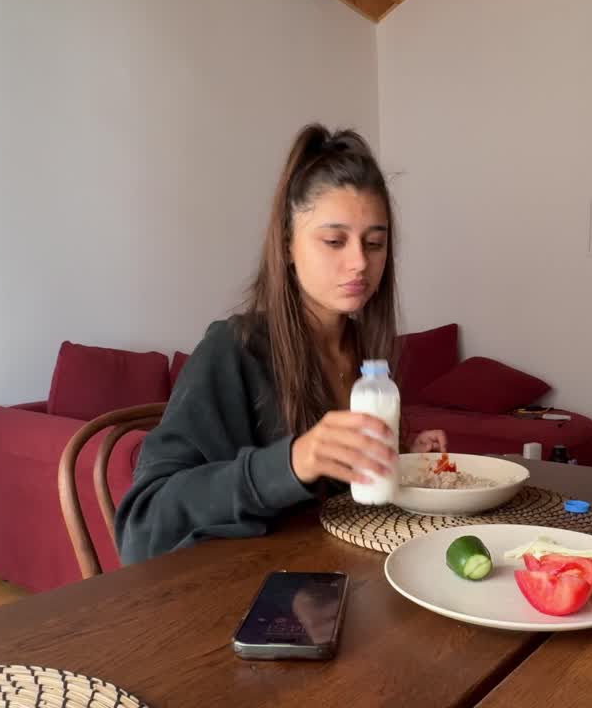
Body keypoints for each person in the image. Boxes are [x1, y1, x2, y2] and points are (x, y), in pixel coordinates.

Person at [116, 124, 446, 564]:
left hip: (340, 581)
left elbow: (349, 507)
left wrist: (402, 459)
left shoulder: (367, 357)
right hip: (246, 604)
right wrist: (291, 462)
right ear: (288, 245)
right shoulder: (234, 349)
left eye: (375, 243)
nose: (359, 263)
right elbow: (142, 524)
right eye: (334, 241)